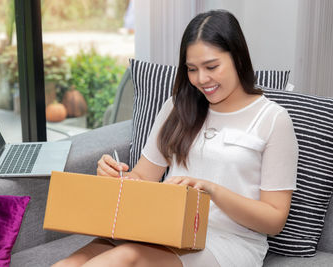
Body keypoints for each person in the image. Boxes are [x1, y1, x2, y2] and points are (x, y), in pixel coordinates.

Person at [53, 9, 298, 267]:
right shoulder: (177, 107)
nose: (202, 79)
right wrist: (116, 176)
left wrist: (211, 190)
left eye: (212, 66)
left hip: (228, 242)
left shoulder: (273, 120)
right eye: (192, 69)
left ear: (237, 57)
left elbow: (274, 220)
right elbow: (142, 178)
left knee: (126, 258)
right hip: (163, 227)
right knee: (69, 263)